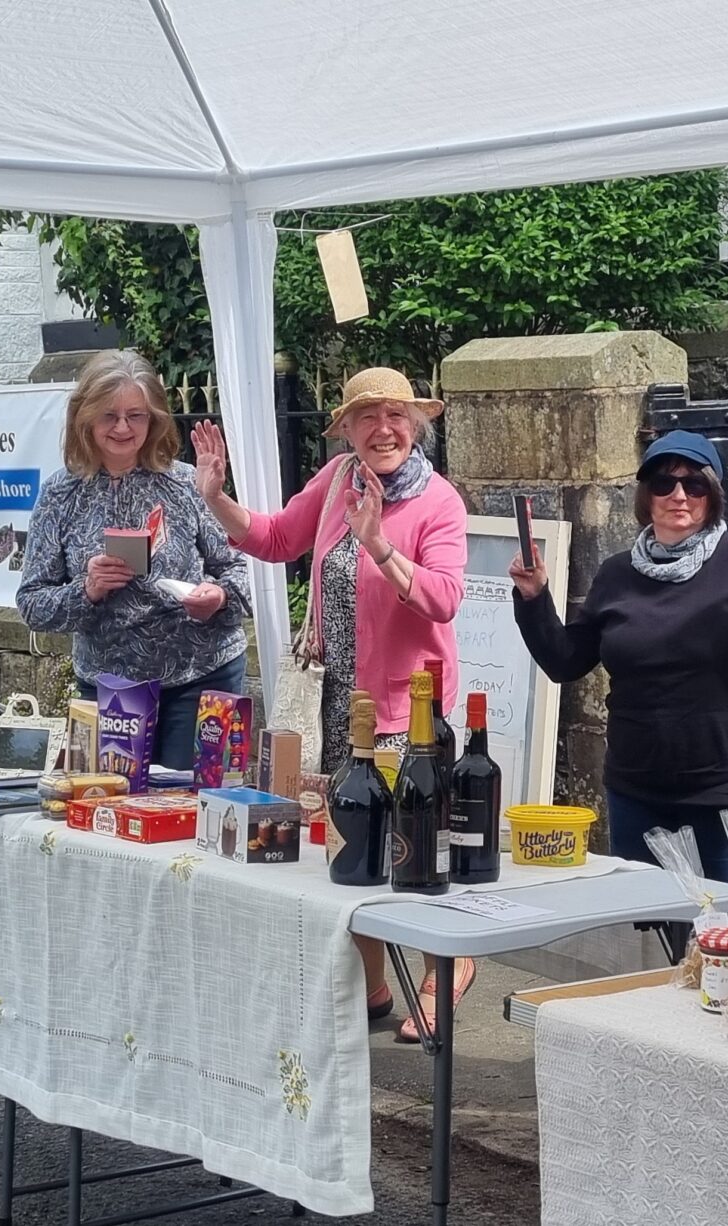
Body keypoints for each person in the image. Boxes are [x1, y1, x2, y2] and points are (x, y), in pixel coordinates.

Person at [193, 366, 471, 1042]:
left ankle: (448, 965)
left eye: (396, 416)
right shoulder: (337, 480)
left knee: (414, 851)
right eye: (366, 417)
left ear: (417, 424)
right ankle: (373, 988)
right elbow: (276, 538)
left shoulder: (439, 503)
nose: (383, 429)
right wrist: (215, 496)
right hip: (334, 702)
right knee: (346, 846)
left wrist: (377, 542)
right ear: (346, 429)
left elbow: (443, 598)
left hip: (410, 711)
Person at [509, 431, 728, 884]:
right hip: (638, 791)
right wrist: (534, 596)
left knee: (725, 940)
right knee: (648, 939)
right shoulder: (617, 574)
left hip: (726, 788)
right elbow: (565, 661)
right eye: (663, 483)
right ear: (646, 496)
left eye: (694, 484)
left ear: (712, 495)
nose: (679, 495)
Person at [17, 351, 251, 770]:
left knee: (194, 812)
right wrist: (84, 591)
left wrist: (217, 597)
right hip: (111, 687)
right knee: (109, 810)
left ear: (155, 418)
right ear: (85, 418)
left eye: (136, 415)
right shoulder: (60, 495)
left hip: (202, 674)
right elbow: (32, 604)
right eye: (109, 415)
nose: (123, 427)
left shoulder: (187, 484)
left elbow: (243, 572)